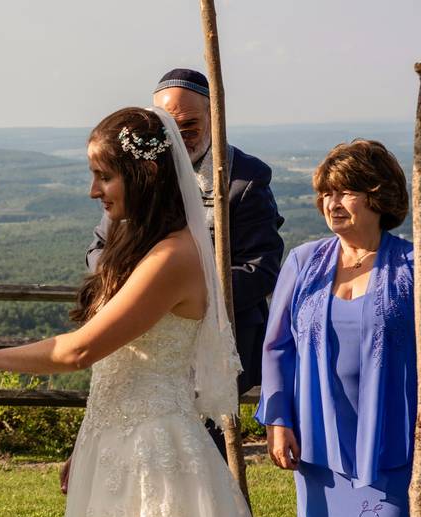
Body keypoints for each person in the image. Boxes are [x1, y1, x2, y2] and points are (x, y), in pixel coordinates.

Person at [0, 107, 292, 517]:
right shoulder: (137, 245)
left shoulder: (175, 257)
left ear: (145, 175)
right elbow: (115, 368)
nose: (92, 191)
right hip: (113, 447)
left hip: (156, 459)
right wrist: (84, 441)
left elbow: (79, 352)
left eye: (104, 176)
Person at [64, 69, 284, 479]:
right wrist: (137, 289)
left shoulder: (244, 179)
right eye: (169, 125)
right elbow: (99, 248)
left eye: (190, 124)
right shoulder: (137, 177)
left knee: (201, 454)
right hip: (142, 339)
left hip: (214, 338)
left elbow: (261, 264)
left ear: (213, 116)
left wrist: (183, 295)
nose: (181, 134)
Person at [256, 139, 414, 517]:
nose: (332, 202)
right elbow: (276, 346)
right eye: (326, 192)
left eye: (346, 191)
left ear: (380, 196)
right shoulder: (304, 263)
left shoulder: (411, 268)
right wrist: (279, 418)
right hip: (317, 444)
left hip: (385, 444)